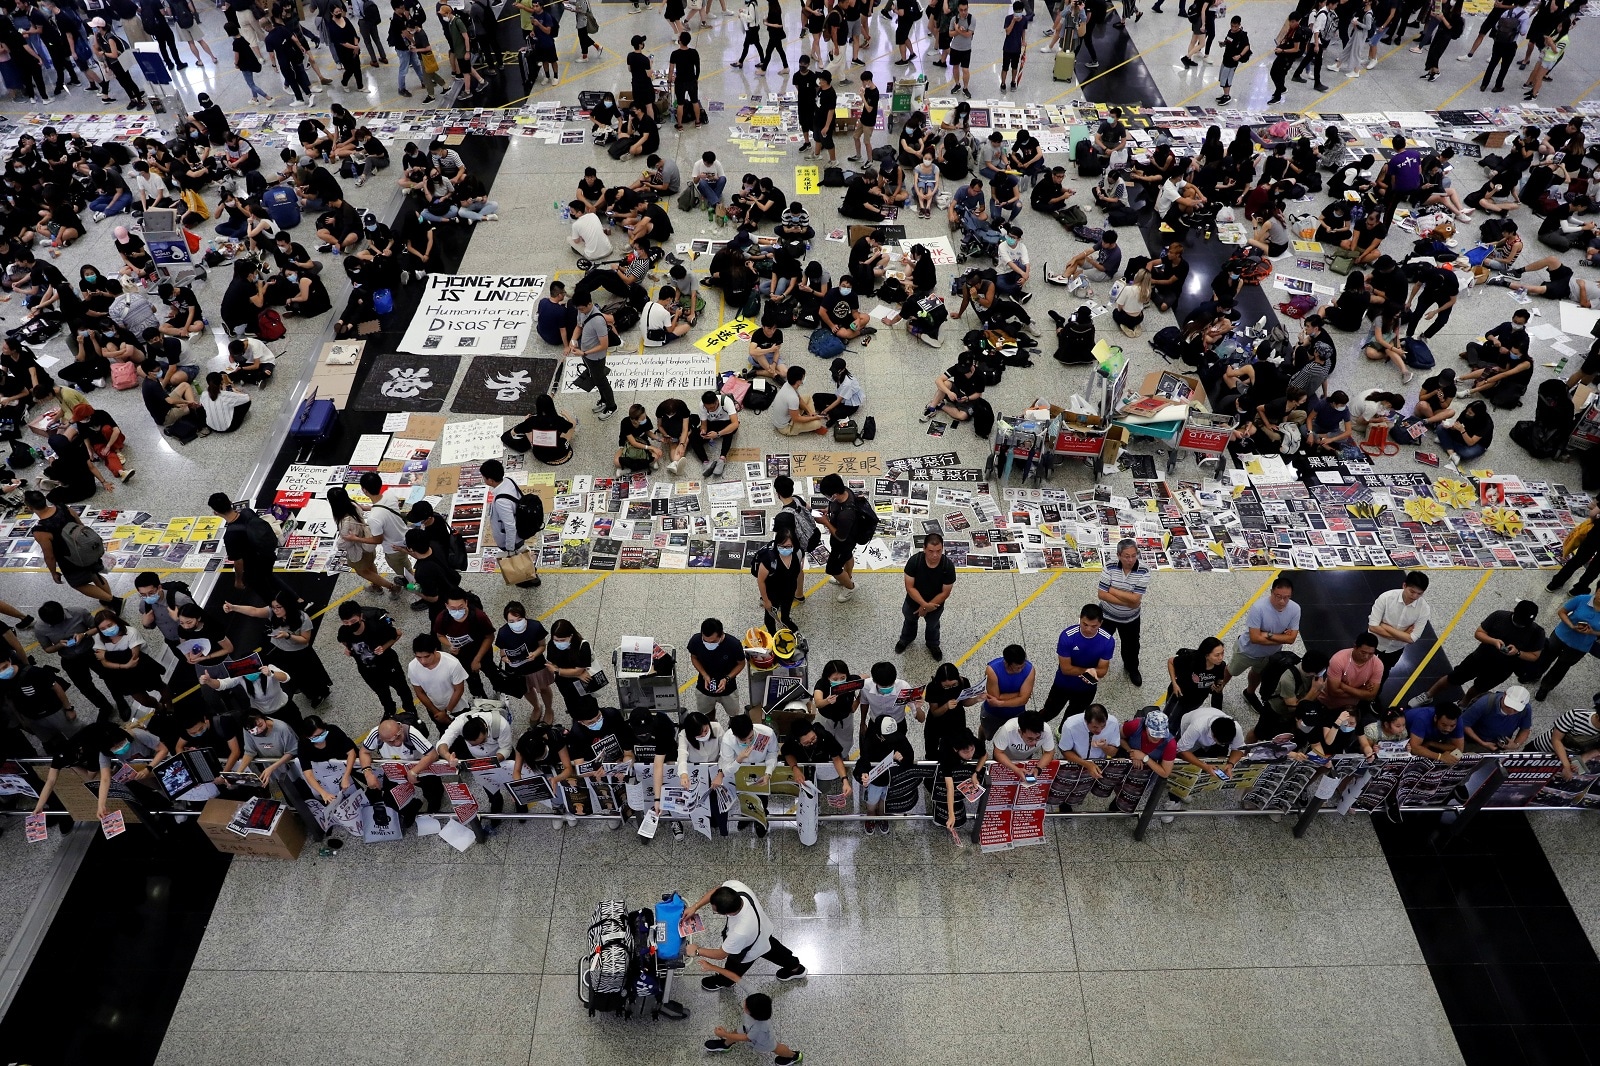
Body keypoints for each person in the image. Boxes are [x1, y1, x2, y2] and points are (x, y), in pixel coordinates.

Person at [683, 879, 807, 988]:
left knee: (734, 966)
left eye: (715, 910)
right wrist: (695, 906)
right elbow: (718, 891)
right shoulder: (737, 887)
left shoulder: (739, 932)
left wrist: (697, 951)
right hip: (763, 930)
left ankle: (724, 982)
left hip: (748, 950)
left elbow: (721, 954)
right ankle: (795, 967)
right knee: (773, 948)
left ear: (729, 914)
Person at [26, 489, 120, 613]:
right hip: (87, 548)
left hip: (70, 560)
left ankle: (112, 600)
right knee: (95, 574)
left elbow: (50, 556)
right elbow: (81, 525)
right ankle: (108, 600)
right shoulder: (63, 508)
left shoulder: (41, 530)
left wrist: (54, 572)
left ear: (30, 507)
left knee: (78, 584)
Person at [35, 599, 119, 721]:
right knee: (85, 687)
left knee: (109, 676)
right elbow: (47, 648)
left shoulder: (79, 612)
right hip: (70, 660)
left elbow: (96, 627)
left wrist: (83, 635)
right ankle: (104, 707)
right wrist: (59, 645)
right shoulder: (40, 628)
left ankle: (120, 700)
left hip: (91, 651)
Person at [336, 600, 417, 722]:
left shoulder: (376, 627)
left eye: (353, 621)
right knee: (382, 694)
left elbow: (398, 634)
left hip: (389, 665)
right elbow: (343, 640)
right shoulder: (344, 631)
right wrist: (347, 649)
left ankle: (410, 709)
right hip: (368, 671)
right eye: (345, 622)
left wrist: (384, 647)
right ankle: (389, 709)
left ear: (361, 617)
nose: (349, 625)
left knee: (402, 689)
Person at [1231, 575, 1300, 709]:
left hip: (1270, 654)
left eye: (1286, 597)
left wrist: (1267, 634)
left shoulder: (1295, 609)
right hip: (1247, 651)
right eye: (1278, 596)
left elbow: (1291, 639)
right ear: (1271, 592)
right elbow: (1255, 638)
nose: (1282, 601)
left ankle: (1249, 693)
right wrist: (1281, 637)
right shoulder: (1259, 608)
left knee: (1257, 673)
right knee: (1231, 670)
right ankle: (1219, 688)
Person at [1039, 604, 1114, 727]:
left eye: (1094, 626)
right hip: (1062, 685)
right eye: (1085, 624)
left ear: (1101, 623)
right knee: (1049, 711)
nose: (1088, 629)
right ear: (1080, 619)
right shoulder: (1067, 636)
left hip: (1087, 689)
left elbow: (1102, 671)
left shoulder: (1107, 641)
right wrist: (1089, 671)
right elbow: (1066, 669)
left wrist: (1092, 672)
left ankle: (1062, 732)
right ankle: (1033, 727)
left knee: (1072, 717)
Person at [329, 485, 400, 596]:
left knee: (363, 571)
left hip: (358, 551)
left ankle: (391, 587)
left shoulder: (345, 522)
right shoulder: (353, 505)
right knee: (370, 565)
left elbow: (345, 543)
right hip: (367, 543)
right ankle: (376, 586)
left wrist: (339, 543)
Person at [1095, 539, 1148, 686]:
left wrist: (1111, 589)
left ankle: (1132, 668)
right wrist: (1129, 602)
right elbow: (1102, 594)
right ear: (1119, 555)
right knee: (1099, 643)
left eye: (1133, 555)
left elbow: (1136, 598)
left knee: (1131, 647)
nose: (1130, 560)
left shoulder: (1143, 570)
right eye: (1126, 556)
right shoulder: (1110, 566)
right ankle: (1095, 666)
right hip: (1107, 615)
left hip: (1130, 619)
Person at [1531, 590, 1600, 702]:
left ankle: (1545, 687)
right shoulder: (1582, 599)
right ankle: (1534, 674)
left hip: (1579, 646)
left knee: (1561, 668)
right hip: (1560, 635)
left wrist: (1592, 632)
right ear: (1596, 590)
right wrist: (1572, 626)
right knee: (1546, 656)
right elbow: (1562, 612)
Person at [898, 532, 955, 658]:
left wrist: (927, 607)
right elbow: (909, 587)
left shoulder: (947, 566)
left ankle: (932, 644)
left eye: (939, 551)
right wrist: (924, 605)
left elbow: (945, 592)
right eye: (931, 551)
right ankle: (906, 639)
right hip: (913, 603)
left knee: (933, 626)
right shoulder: (914, 561)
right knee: (909, 621)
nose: (935, 555)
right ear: (924, 548)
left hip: (935, 606)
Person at [1367, 571, 1431, 681]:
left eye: (1419, 594)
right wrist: (1404, 634)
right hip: (1374, 641)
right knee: (1363, 665)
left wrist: (1386, 627)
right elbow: (1373, 627)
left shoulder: (1424, 609)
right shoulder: (1386, 598)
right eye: (1412, 591)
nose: (1415, 596)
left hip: (1395, 648)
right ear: (1404, 585)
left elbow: (1412, 638)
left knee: (1384, 671)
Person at [818, 473, 865, 600]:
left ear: (835, 494)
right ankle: (846, 577)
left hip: (844, 541)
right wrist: (828, 511)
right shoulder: (845, 491)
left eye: (827, 495)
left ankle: (850, 587)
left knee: (833, 568)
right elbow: (835, 506)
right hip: (849, 537)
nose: (827, 498)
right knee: (848, 556)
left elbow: (840, 537)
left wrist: (825, 522)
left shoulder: (846, 514)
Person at [407, 633, 470, 728]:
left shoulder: (452, 664)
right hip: (435, 711)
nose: (423, 662)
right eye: (418, 657)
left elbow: (459, 690)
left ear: (435, 650)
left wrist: (446, 712)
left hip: (458, 708)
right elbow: (419, 692)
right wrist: (436, 712)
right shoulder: (412, 667)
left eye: (427, 656)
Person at [1530, 696, 1600, 780]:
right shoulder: (1574, 715)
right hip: (1543, 748)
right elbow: (1556, 739)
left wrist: (1583, 758)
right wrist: (1566, 765)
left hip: (1572, 756)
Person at [753, 527, 803, 635]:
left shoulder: (797, 554)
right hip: (773, 593)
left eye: (788, 546)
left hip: (789, 591)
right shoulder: (769, 559)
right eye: (782, 546)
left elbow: (798, 571)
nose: (785, 549)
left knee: (786, 610)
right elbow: (761, 581)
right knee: (770, 615)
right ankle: (772, 632)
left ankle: (785, 620)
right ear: (777, 544)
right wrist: (766, 601)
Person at [980, 644, 1034, 739]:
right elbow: (994, 698)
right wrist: (1019, 695)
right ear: (1007, 663)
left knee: (1016, 737)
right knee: (986, 732)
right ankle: (980, 744)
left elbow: (1023, 700)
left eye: (1022, 666)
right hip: (993, 713)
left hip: (1017, 713)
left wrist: (1000, 702)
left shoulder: (1030, 670)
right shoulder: (992, 670)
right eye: (1017, 667)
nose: (1021, 669)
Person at [1176, 706, 1245, 779]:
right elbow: (1182, 750)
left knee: (1219, 753)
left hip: (1208, 723)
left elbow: (1239, 748)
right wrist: (1204, 766)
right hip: (1190, 730)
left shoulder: (1236, 728)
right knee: (1182, 757)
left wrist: (1231, 764)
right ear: (1213, 735)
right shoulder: (1197, 727)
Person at [1459, 685, 1533, 752]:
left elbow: (1525, 730)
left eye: (1516, 709)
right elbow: (1464, 723)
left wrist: (1516, 744)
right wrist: (1483, 743)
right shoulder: (1484, 704)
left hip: (1498, 744)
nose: (1511, 711)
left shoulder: (1526, 709)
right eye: (1508, 706)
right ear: (1504, 694)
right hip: (1474, 740)